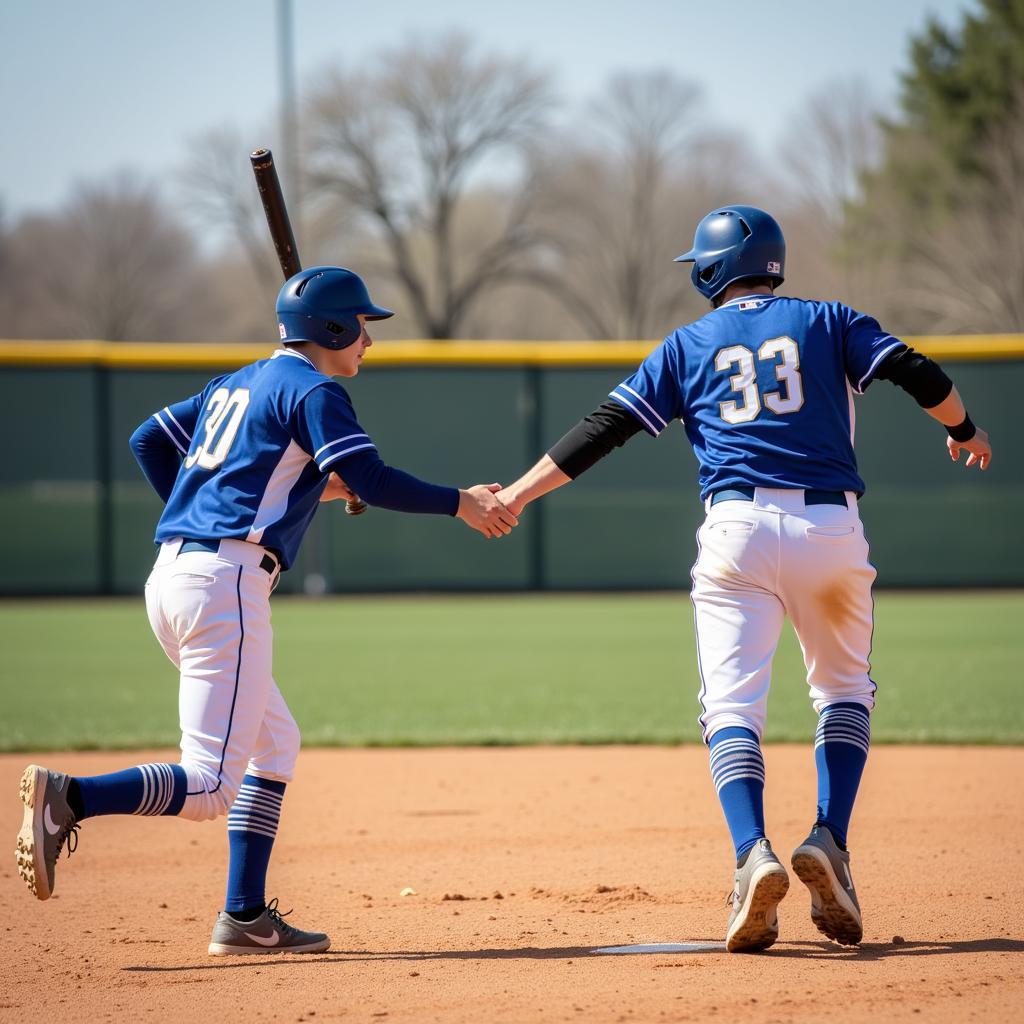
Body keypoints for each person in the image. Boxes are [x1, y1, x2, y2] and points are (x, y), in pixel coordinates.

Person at [492, 205, 992, 953]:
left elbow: (606, 426)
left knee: (731, 706)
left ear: (711, 270)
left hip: (736, 534)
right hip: (829, 530)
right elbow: (919, 372)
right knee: (843, 691)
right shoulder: (829, 319)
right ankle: (830, 839)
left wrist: (516, 494)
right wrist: (962, 428)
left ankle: (751, 852)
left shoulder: (688, 343)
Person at [15, 265, 517, 955]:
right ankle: (70, 797)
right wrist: (462, 500)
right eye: (362, 325)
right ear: (333, 327)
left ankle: (244, 917)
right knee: (210, 783)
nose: (368, 340)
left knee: (274, 744)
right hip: (227, 585)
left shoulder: (238, 381)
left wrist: (228, 507)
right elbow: (371, 478)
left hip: (175, 576)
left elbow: (149, 440)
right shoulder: (316, 390)